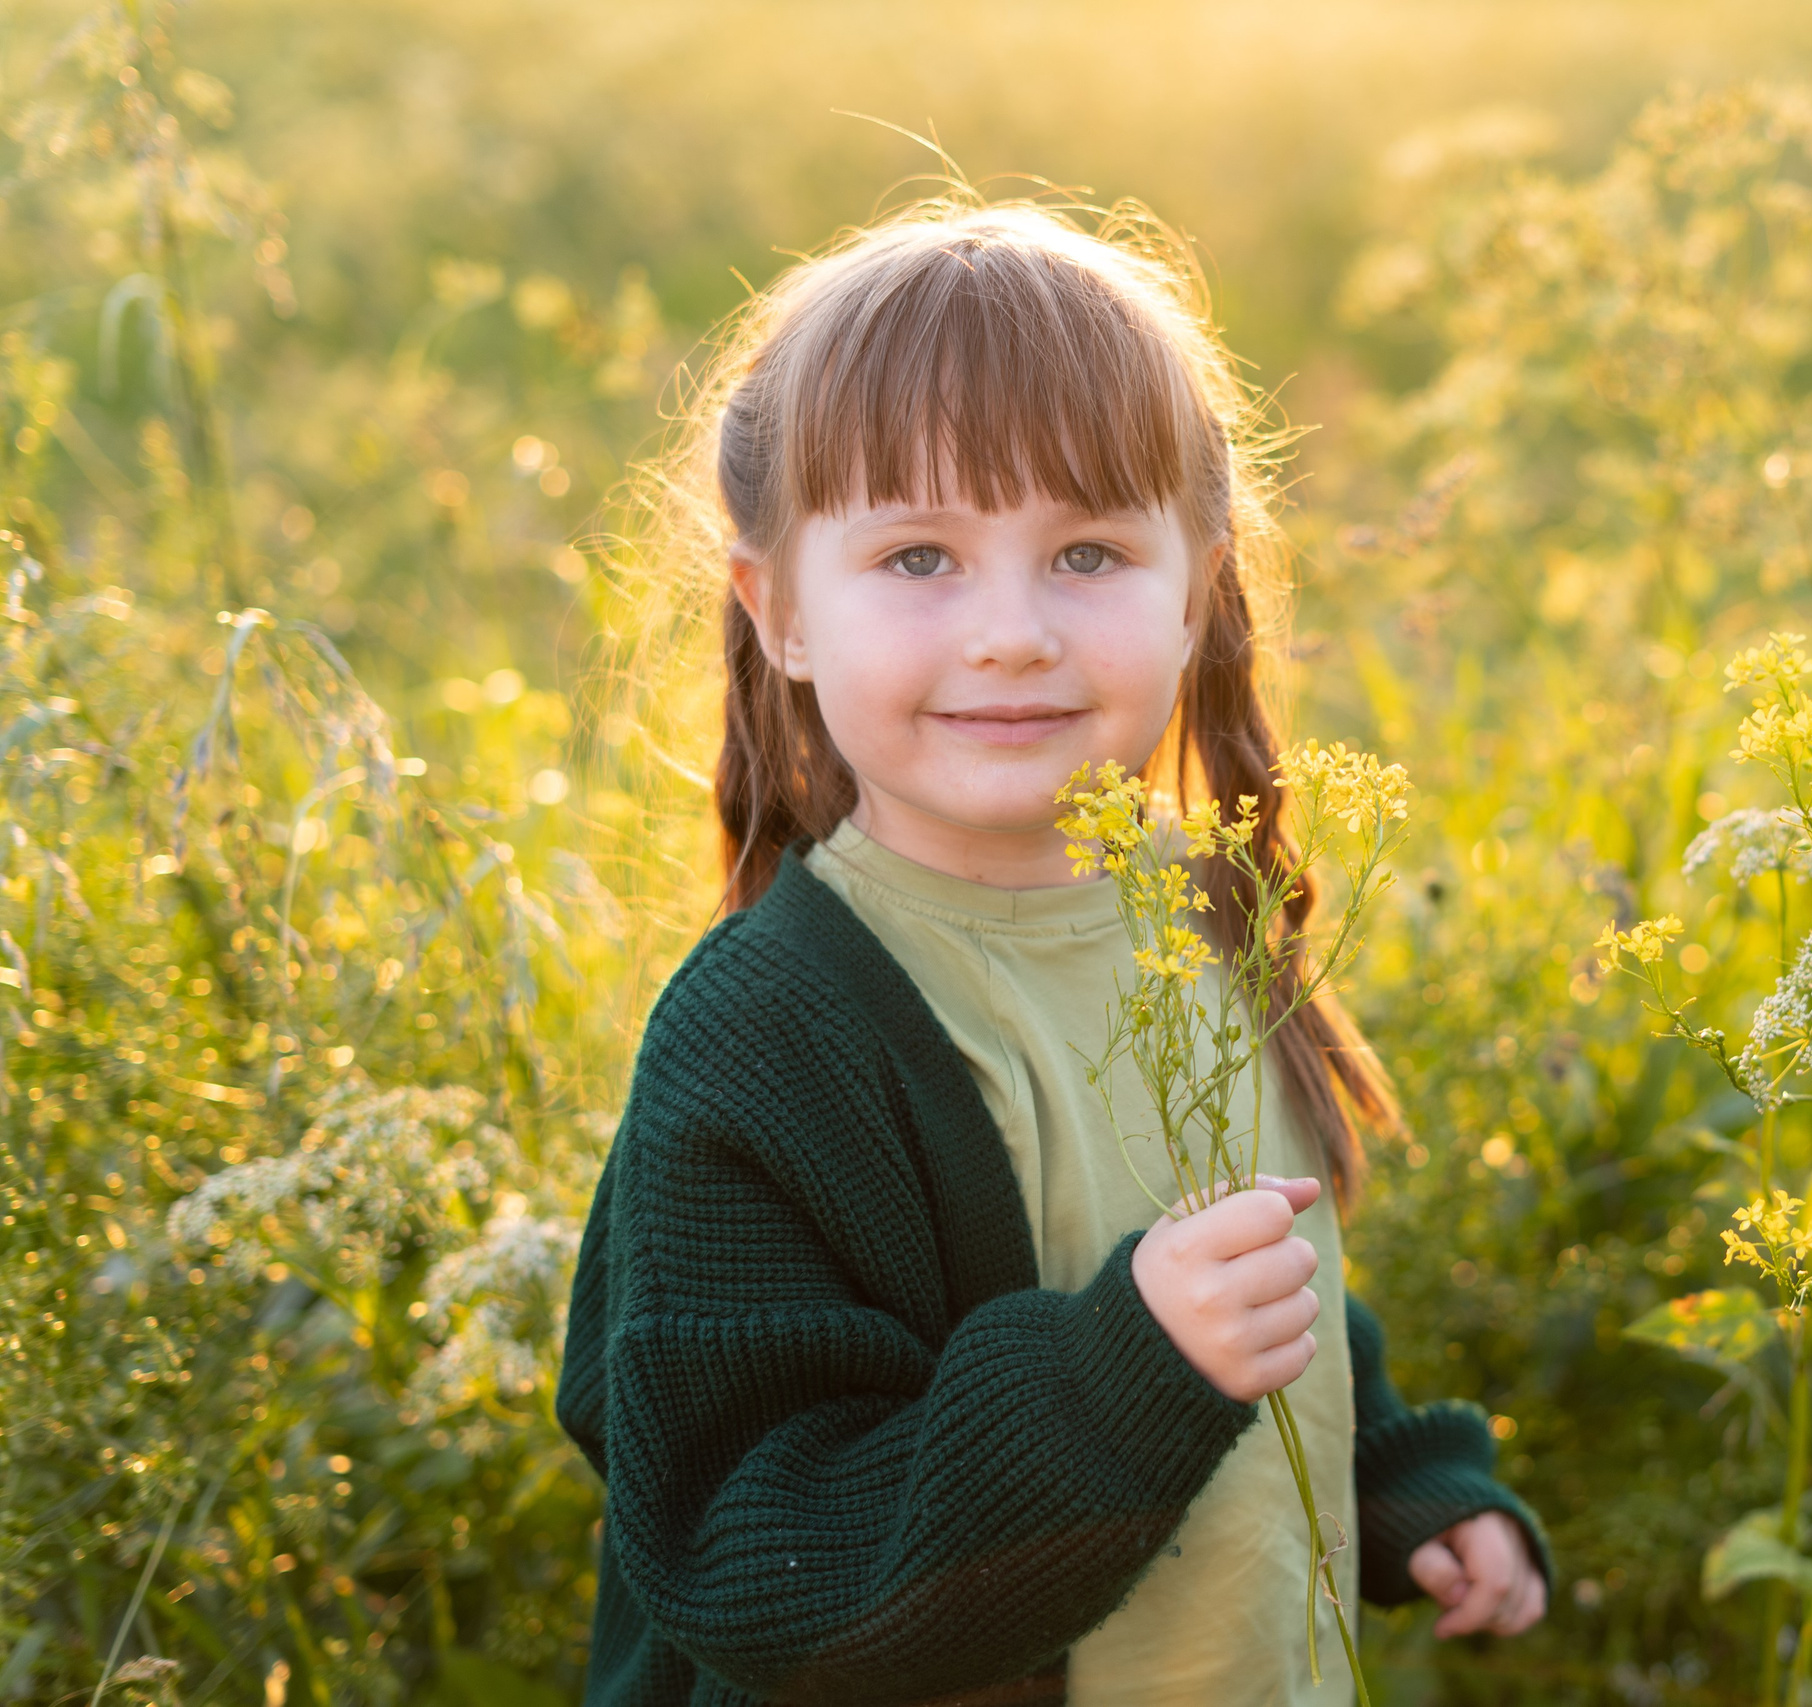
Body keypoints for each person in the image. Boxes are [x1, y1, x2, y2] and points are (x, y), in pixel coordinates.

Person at [556, 197, 1548, 1706]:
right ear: (781, 612)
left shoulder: (1190, 909)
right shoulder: (777, 1029)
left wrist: (1395, 1480)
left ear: (1201, 583)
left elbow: (1226, 1259)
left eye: (1087, 552)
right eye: (916, 558)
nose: (1011, 631)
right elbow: (759, 1552)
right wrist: (1128, 1374)